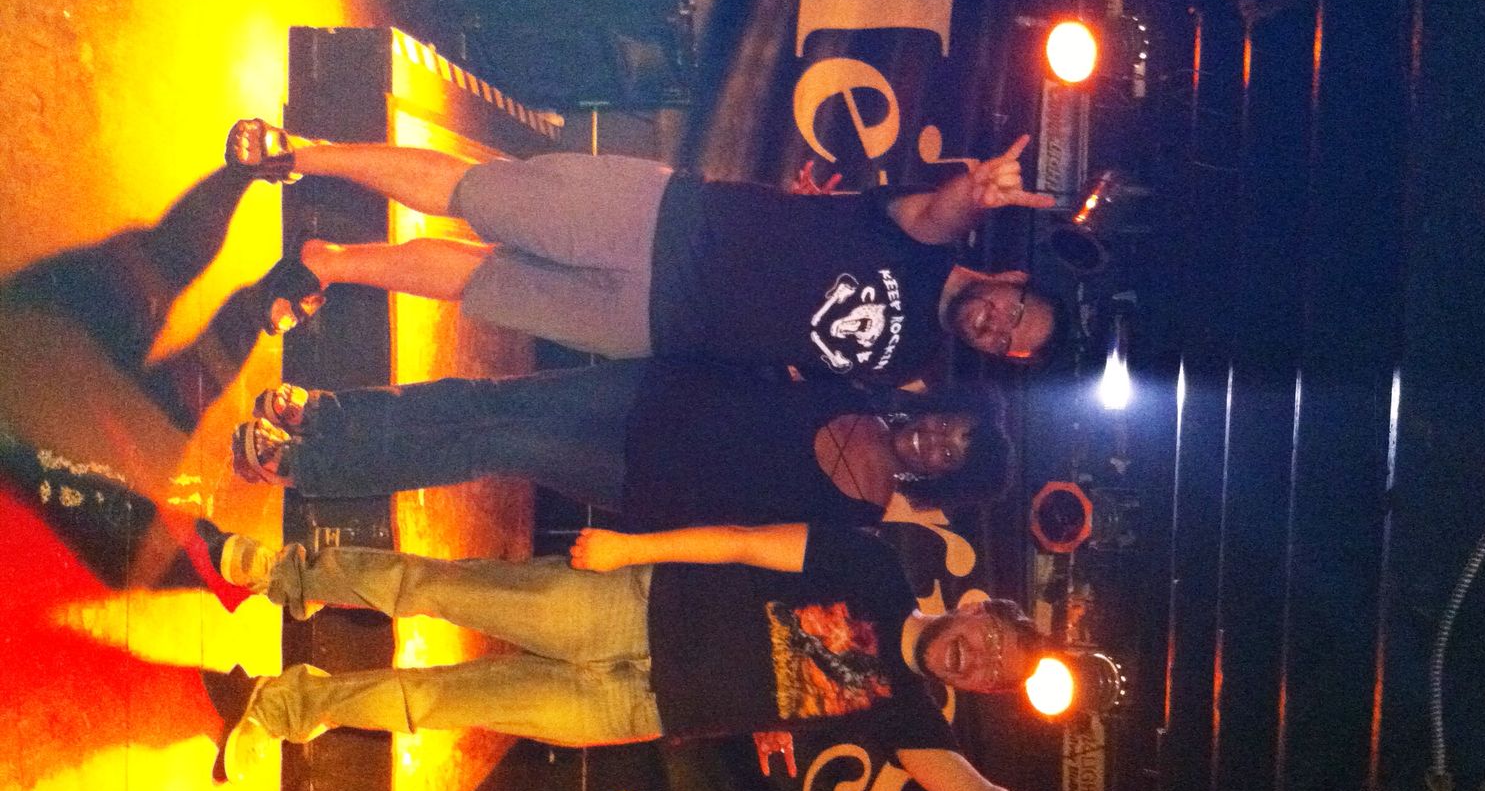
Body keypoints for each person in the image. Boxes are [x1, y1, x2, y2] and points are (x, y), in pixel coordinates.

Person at [197, 519, 1154, 791]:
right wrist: (633, 548)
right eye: (992, 642)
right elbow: (744, 543)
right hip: (633, 609)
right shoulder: (875, 566)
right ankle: (274, 569)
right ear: (977, 608)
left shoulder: (908, 717)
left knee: (436, 704)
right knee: (438, 588)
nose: (979, 660)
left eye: (994, 673)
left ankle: (282, 706)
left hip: (641, 712)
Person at [228, 121, 1061, 383]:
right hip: (660, 220)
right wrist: (975, 192)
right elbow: (938, 215)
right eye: (1015, 309)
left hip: (654, 326)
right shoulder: (925, 243)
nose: (997, 324)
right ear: (1011, 277)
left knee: (480, 284)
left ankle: (328, 262)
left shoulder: (910, 362)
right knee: (478, 194)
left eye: (1007, 341)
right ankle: (300, 154)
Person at [230, 360, 1014, 528]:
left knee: (494, 443)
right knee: (486, 397)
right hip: (648, 392)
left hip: (645, 475)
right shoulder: (860, 386)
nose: (937, 440)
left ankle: (307, 466)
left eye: (952, 455)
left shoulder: (860, 514)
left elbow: (749, 546)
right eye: (952, 426)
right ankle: (327, 412)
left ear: (942, 479)